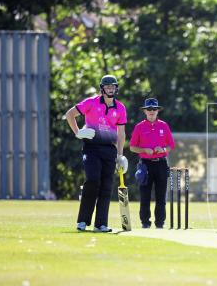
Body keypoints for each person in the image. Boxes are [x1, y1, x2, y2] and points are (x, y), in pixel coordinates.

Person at [65, 74, 128, 232]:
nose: (110, 89)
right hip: (91, 148)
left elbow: (121, 134)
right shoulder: (91, 102)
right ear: (102, 88)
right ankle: (83, 221)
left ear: (116, 88)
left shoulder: (120, 107)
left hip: (109, 150)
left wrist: (120, 155)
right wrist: (78, 132)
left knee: (106, 186)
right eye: (107, 87)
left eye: (113, 86)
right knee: (93, 180)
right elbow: (70, 114)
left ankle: (101, 224)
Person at [129, 98, 175, 229]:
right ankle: (145, 223)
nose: (151, 111)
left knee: (161, 196)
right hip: (145, 164)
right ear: (144, 111)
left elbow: (171, 145)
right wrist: (144, 150)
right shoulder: (139, 127)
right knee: (145, 196)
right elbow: (132, 147)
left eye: (154, 109)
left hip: (161, 164)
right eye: (149, 109)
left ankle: (160, 223)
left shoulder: (164, 125)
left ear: (157, 111)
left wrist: (164, 149)